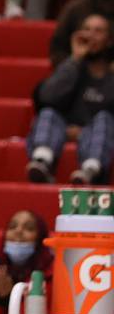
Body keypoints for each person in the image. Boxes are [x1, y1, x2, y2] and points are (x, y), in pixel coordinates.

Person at [27, 13, 114, 185]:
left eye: (98, 31)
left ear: (109, 40)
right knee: (48, 113)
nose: (90, 36)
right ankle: (42, 161)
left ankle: (91, 170)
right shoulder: (69, 69)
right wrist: (74, 59)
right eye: (86, 30)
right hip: (62, 129)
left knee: (104, 119)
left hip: (98, 133)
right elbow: (47, 97)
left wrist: (83, 133)